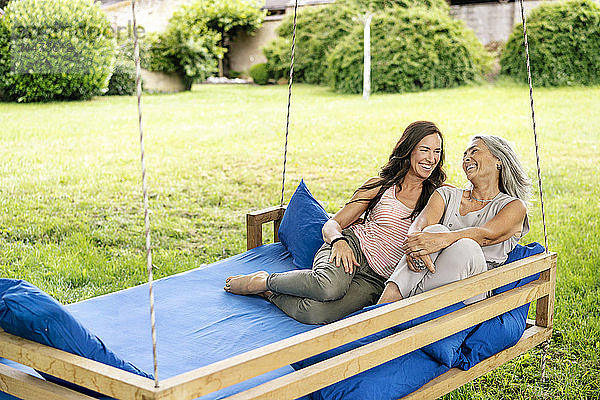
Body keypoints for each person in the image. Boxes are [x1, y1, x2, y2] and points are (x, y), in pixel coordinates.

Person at [224, 121, 446, 324]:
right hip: (353, 248)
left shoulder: (440, 197)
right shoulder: (380, 186)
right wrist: (339, 242)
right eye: (424, 149)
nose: (431, 158)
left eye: (437, 151)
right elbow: (332, 224)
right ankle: (263, 280)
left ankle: (269, 293)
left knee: (315, 313)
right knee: (328, 287)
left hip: (377, 278)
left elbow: (474, 207)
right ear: (408, 151)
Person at [378, 134, 531, 305]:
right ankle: (380, 311)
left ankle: (406, 309)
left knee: (467, 246)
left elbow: (486, 235)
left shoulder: (514, 206)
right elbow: (419, 225)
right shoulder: (446, 194)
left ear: (499, 160)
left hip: (473, 291)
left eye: (474, 151)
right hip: (428, 277)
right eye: (464, 155)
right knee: (434, 230)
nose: (467, 158)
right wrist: (414, 244)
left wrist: (441, 240)